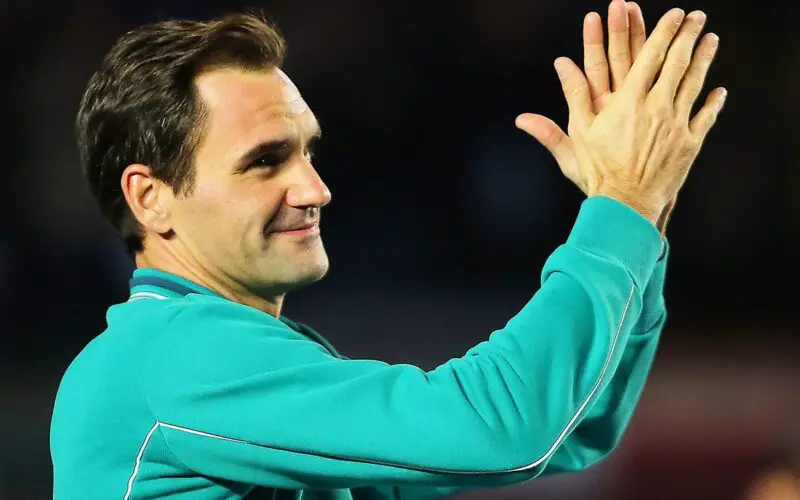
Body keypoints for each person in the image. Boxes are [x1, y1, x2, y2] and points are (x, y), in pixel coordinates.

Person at [50, 0, 726, 498]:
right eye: (264, 161)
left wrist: (643, 211)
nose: (314, 189)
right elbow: (502, 429)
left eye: (308, 153)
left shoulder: (218, 366)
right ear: (150, 198)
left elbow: (573, 430)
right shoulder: (172, 355)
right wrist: (621, 207)